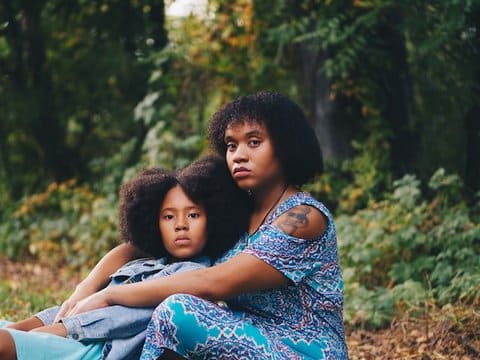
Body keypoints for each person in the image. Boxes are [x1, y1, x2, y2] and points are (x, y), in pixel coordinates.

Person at [26, 90, 347, 359]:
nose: (239, 155)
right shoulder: (238, 211)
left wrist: (111, 297)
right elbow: (138, 245)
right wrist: (88, 288)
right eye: (231, 145)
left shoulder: (303, 218)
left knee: (177, 310)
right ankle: (44, 335)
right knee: (160, 303)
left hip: (307, 350)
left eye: (254, 142)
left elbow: (214, 283)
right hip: (248, 335)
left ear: (286, 146)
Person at [0, 155, 251, 360]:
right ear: (154, 223)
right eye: (168, 217)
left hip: (95, 350)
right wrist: (24, 326)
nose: (181, 225)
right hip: (70, 334)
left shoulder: (190, 279)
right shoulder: (147, 263)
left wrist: (47, 332)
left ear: (213, 220)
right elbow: (78, 308)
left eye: (193, 215)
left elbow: (116, 319)